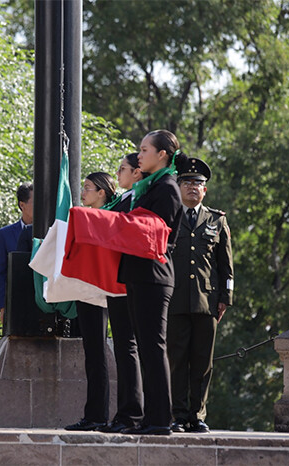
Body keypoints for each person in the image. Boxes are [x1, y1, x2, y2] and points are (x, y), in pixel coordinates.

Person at [117, 130, 188, 435]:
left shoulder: (168, 188)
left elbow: (154, 232)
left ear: (162, 155)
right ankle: (148, 418)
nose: (140, 154)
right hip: (136, 274)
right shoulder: (147, 186)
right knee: (145, 348)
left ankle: (160, 419)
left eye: (144, 150)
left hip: (154, 276)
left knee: (153, 347)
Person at [168, 158, 233, 434]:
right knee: (176, 360)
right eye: (187, 183)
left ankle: (197, 415)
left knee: (203, 363)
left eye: (198, 184)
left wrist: (225, 298)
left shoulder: (217, 220)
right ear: (178, 187)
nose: (193, 187)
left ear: (205, 190)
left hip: (207, 303)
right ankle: (178, 415)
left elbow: (226, 266)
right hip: (174, 300)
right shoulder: (169, 217)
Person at [65, 172, 117, 431]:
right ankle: (94, 414)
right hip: (85, 291)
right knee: (92, 354)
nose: (83, 192)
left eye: (87, 188)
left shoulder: (112, 217)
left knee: (99, 355)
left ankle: (99, 416)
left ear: (102, 193)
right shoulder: (84, 217)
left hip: (105, 292)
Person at [99, 153, 146, 433]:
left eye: (123, 169)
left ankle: (132, 414)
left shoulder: (137, 199)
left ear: (137, 173)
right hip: (115, 278)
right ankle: (124, 413)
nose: (118, 174)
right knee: (123, 347)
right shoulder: (123, 200)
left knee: (130, 348)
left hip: (131, 281)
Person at [0, 183, 33, 323]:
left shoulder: (52, 230)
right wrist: (3, 307)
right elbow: (0, 273)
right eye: (35, 202)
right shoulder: (5, 234)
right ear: (22, 205)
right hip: (17, 301)